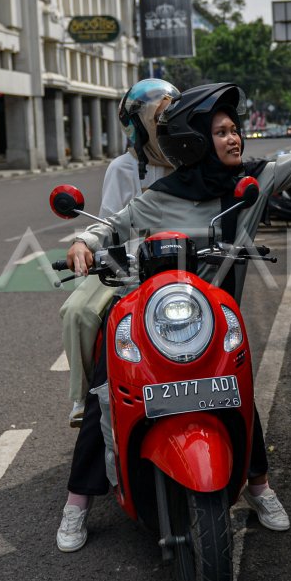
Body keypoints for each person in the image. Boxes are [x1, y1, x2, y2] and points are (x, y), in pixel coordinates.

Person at [55, 82, 291, 552]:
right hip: (156, 319)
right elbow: (111, 225)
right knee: (108, 390)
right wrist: (83, 243)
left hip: (214, 323)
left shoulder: (250, 187)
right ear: (194, 140)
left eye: (234, 129)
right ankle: (77, 503)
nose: (233, 138)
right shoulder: (158, 197)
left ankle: (258, 486)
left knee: (236, 391)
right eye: (220, 132)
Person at [59, 79, 180, 428]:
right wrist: (91, 247)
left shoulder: (191, 162)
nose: (162, 125)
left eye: (168, 116)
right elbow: (110, 221)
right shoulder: (122, 168)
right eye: (155, 117)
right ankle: (83, 398)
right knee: (77, 312)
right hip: (128, 264)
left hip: (183, 260)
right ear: (137, 124)